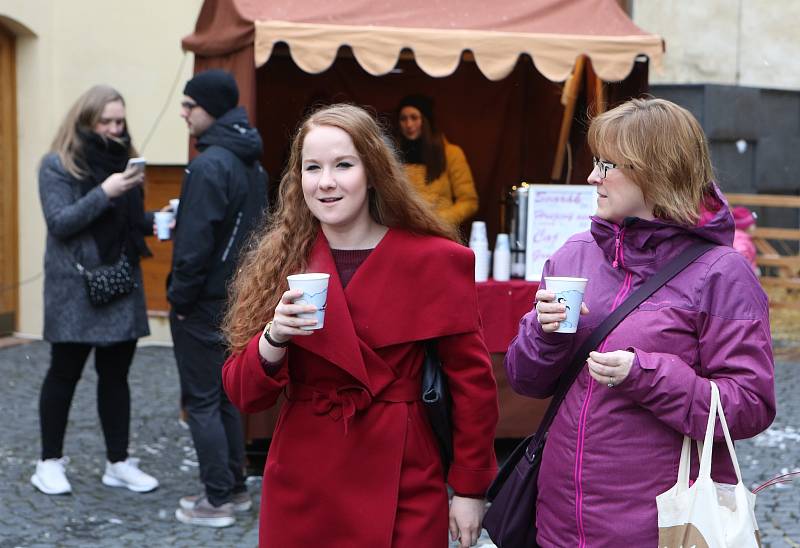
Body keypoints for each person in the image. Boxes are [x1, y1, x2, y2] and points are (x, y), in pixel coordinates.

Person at [222, 104, 498, 547]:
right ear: (298, 180)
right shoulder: (279, 263)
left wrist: (469, 488)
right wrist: (274, 337)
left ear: (372, 172)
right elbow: (242, 394)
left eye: (343, 165)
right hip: (302, 479)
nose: (326, 181)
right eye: (312, 167)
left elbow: (473, 387)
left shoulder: (436, 261)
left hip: (405, 476)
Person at [504, 98, 776, 546]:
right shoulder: (575, 254)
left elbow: (749, 405)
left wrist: (647, 376)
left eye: (606, 164)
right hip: (558, 524)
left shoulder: (722, 272)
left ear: (655, 170)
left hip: (658, 528)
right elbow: (526, 380)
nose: (592, 176)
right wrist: (542, 333)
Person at [33, 85, 159, 495]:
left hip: (120, 281)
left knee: (116, 376)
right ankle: (48, 462)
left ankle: (118, 462)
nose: (113, 129)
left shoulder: (126, 163)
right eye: (105, 121)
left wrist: (162, 219)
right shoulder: (56, 165)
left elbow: (132, 223)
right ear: (84, 120)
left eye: (119, 121)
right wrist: (105, 192)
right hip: (76, 286)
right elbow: (60, 222)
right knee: (64, 373)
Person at [168, 69, 269, 528]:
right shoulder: (251, 161)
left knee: (204, 399)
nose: (184, 112)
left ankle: (218, 500)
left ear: (210, 107)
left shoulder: (210, 164)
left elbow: (194, 246)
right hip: (235, 298)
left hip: (203, 300)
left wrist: (180, 298)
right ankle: (232, 487)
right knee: (225, 395)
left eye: (190, 105)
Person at [396, 94, 479, 226]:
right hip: (406, 232)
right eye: (403, 119)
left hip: (440, 232)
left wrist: (437, 221)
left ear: (425, 120)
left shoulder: (451, 153)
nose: (408, 124)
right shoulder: (394, 155)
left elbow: (469, 201)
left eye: (414, 117)